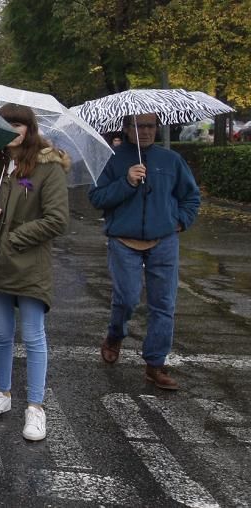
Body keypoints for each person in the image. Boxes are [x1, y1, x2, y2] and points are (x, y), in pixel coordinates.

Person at [0, 104, 70, 442]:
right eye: (5, 125)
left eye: (18, 125)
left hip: (29, 264)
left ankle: (36, 406)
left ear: (29, 128)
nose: (12, 130)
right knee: (0, 335)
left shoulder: (48, 165)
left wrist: (16, 236)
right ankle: (2, 393)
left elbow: (57, 218)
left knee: (33, 336)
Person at [88, 113, 200, 390]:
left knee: (164, 304)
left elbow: (191, 196)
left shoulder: (171, 160)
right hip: (123, 240)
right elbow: (97, 198)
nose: (146, 131)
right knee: (126, 298)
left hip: (164, 241)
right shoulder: (112, 158)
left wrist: (180, 221)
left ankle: (155, 364)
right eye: (139, 126)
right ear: (126, 128)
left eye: (151, 126)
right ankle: (115, 334)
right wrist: (126, 182)